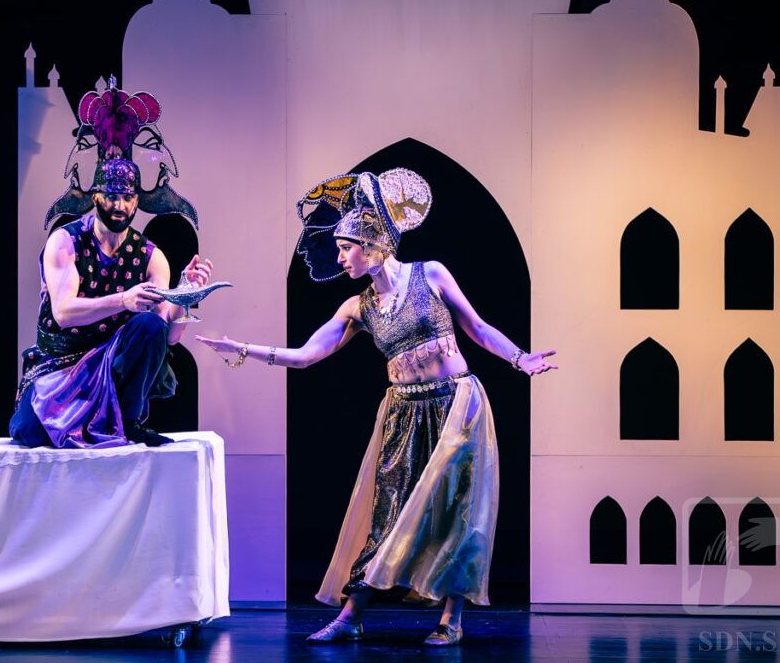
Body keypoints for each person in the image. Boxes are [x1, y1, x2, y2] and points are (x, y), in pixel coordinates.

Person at [196, 169, 556, 646]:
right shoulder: (357, 307)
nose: (339, 257)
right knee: (386, 513)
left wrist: (518, 357)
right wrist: (243, 348)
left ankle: (452, 619)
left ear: (373, 244)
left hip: (457, 405)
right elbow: (306, 356)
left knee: (457, 510)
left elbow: (477, 326)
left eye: (346, 248)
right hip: (403, 413)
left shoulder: (430, 273)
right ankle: (352, 615)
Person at [10, 82, 212, 449]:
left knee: (150, 324)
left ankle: (128, 421)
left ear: (137, 201)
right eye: (112, 197)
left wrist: (184, 295)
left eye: (127, 198)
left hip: (115, 368)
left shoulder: (151, 256)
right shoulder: (66, 241)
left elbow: (167, 335)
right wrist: (123, 300)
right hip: (62, 364)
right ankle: (85, 418)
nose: (119, 207)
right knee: (29, 433)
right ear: (97, 197)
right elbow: (63, 313)